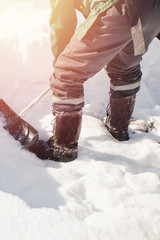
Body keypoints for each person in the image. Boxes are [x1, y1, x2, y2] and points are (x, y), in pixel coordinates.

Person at [27, 0, 160, 162]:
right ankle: (118, 126)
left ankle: (63, 149)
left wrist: (62, 67)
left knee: (67, 73)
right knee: (125, 67)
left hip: (121, 8)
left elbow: (61, 22)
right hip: (152, 12)